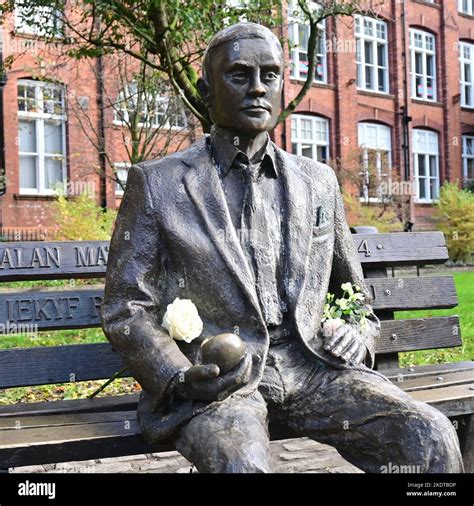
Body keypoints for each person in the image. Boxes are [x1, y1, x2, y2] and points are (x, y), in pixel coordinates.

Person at [101, 22, 463, 473]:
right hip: (223, 385)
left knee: (428, 435)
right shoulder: (158, 183)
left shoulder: (318, 182)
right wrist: (179, 376)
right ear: (206, 91)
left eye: (270, 75)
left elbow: (352, 298)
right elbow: (126, 306)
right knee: (241, 466)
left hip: (312, 368)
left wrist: (357, 332)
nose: (257, 88)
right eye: (239, 75)